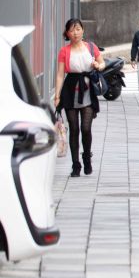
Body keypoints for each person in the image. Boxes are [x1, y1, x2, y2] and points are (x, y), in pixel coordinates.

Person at [53, 19, 104, 177]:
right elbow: (61, 74)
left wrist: (97, 65)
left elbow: (102, 63)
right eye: (71, 30)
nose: (75, 33)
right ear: (67, 33)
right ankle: (76, 165)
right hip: (70, 91)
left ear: (83, 30)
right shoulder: (64, 51)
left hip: (88, 90)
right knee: (74, 129)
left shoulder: (91, 47)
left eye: (78, 29)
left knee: (86, 128)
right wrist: (57, 95)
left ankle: (87, 157)